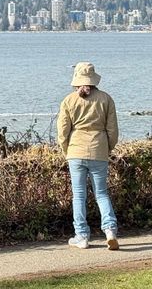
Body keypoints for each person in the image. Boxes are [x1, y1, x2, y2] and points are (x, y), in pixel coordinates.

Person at [57, 61, 120, 250]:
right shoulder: (106, 99)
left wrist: (66, 149)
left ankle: (82, 236)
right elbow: (113, 130)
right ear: (93, 79)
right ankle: (110, 230)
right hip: (99, 150)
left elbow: (62, 131)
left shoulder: (69, 100)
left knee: (79, 196)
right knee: (101, 193)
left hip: (75, 151)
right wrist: (108, 147)